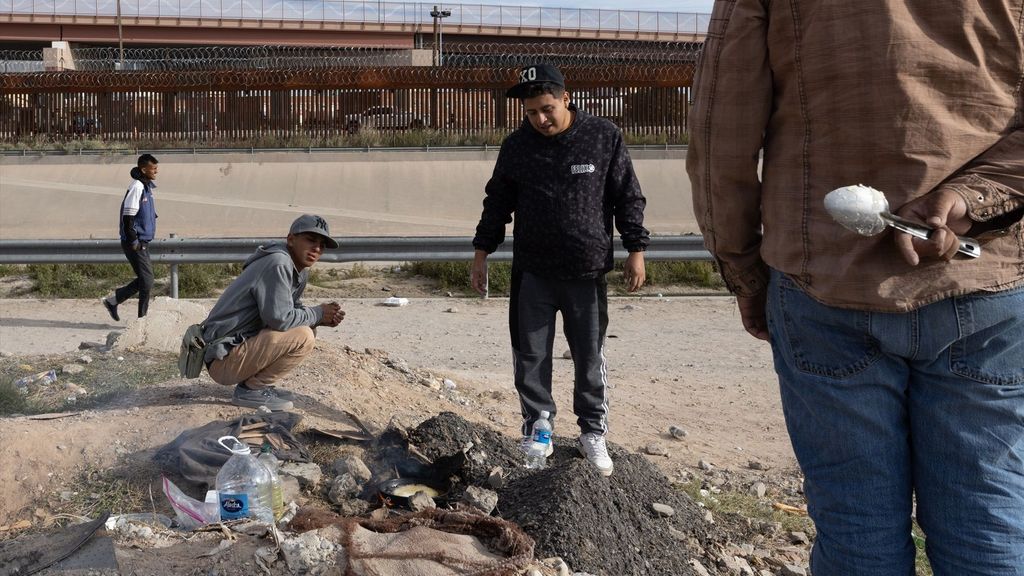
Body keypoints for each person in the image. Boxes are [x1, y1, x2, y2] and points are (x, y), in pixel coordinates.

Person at [687, 2, 1024, 574]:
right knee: (987, 521)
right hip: (986, 283)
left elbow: (724, 124)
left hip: (824, 284)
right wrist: (971, 198)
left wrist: (744, 272)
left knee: (856, 531)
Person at [471, 64, 650, 476]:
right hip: (533, 271)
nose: (541, 119)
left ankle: (592, 431)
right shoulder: (517, 146)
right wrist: (482, 252)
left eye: (547, 109)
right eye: (532, 112)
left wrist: (635, 248)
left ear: (566, 98)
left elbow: (628, 195)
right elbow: (497, 201)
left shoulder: (602, 136)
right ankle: (539, 428)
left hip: (586, 272)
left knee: (589, 357)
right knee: (530, 355)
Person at [201, 214, 346, 411]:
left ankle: (257, 386)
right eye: (311, 240)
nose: (317, 249)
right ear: (291, 239)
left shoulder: (297, 269)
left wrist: (320, 318)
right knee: (304, 335)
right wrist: (319, 313)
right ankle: (251, 390)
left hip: (234, 351)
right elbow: (280, 319)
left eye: (322, 245)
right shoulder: (278, 262)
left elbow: (289, 312)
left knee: (307, 328)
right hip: (222, 359)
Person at [103, 154, 159, 321]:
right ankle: (142, 320)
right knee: (147, 280)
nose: (156, 172)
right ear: (144, 169)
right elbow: (128, 217)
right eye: (153, 169)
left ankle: (113, 301)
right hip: (135, 242)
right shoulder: (137, 187)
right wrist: (134, 241)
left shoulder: (147, 187)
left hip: (142, 241)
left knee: (145, 279)